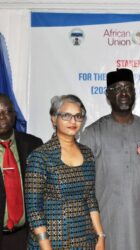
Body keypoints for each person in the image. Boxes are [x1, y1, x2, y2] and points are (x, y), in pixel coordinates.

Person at [80, 68, 140, 250]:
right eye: (117, 88)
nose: (123, 93)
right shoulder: (93, 133)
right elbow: (84, 186)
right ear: (108, 95)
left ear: (134, 93)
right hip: (107, 226)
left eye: (128, 88)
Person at [25, 95, 104, 250]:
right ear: (54, 119)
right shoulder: (40, 156)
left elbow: (90, 198)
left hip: (85, 240)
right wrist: (45, 245)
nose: (73, 121)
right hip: (51, 241)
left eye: (78, 116)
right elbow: (34, 208)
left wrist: (100, 235)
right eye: (66, 116)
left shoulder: (87, 154)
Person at [0, 94, 43, 250]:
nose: (2, 116)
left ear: (14, 115)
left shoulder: (33, 144)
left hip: (25, 236)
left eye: (7, 111)